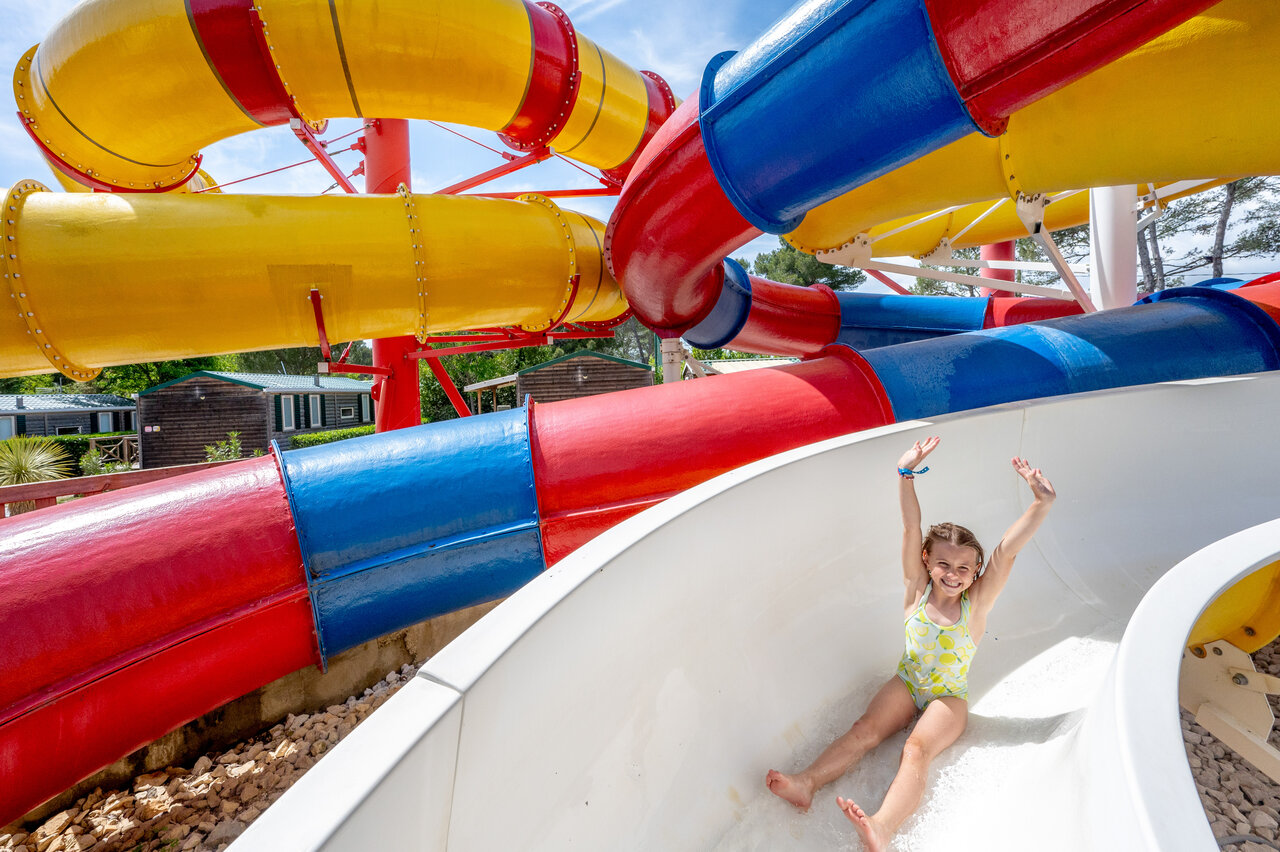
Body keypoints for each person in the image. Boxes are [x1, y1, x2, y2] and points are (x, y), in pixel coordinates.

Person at [764, 436, 1056, 851]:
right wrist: (905, 475)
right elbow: (910, 528)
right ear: (926, 561)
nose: (952, 574)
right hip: (908, 681)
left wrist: (1040, 504)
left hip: (947, 698)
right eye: (943, 563)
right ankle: (806, 783)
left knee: (915, 749)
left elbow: (1005, 554)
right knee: (864, 730)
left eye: (963, 568)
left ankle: (881, 827)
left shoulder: (975, 605)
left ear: (974, 572)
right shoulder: (915, 590)